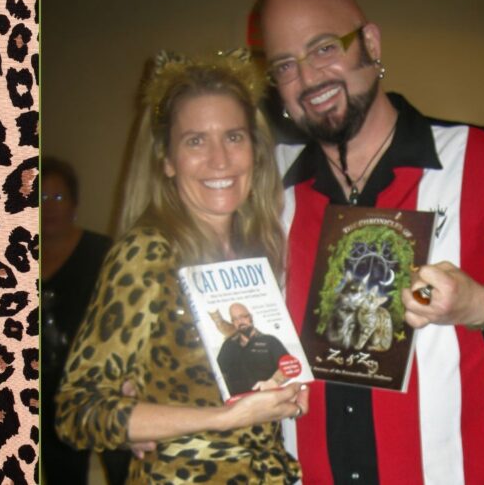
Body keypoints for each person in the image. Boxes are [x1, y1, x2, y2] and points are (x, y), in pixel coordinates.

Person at [256, 0, 484, 485]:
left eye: (323, 47)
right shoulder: (265, 189)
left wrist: (482, 305)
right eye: (285, 65)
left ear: (371, 43)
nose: (309, 78)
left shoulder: (483, 162)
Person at [54, 52, 309, 484]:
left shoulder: (257, 249)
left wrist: (285, 392)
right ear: (167, 160)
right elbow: (78, 412)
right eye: (195, 141)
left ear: (255, 149)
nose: (220, 161)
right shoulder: (148, 253)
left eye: (233, 137)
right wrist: (220, 419)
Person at [41, 157, 131, 485]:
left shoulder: (104, 252)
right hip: (48, 391)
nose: (49, 207)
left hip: (104, 383)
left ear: (75, 204)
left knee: (123, 471)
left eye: (58, 198)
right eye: (40, 198)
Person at [217, 302, 290, 395]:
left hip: (268, 399)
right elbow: (218, 372)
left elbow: (289, 367)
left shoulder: (270, 341)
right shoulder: (228, 345)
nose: (240, 322)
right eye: (235, 319)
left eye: (243, 317)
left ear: (251, 317)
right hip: (237, 404)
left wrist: (273, 382)